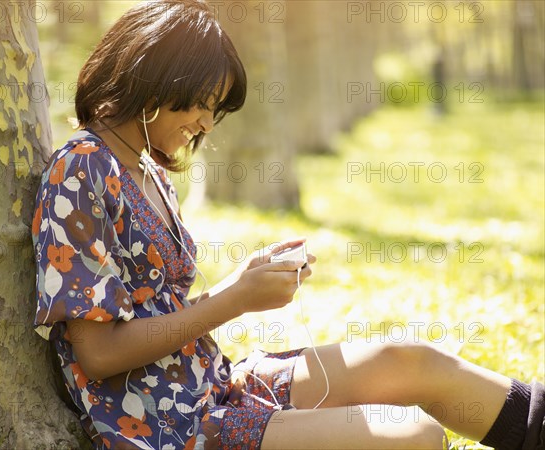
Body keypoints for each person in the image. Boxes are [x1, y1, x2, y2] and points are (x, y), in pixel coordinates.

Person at [31, 1, 544, 448]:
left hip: (214, 384)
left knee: (412, 360)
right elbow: (97, 355)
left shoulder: (141, 166)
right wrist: (234, 300)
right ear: (157, 80)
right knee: (414, 436)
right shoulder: (81, 170)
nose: (207, 124)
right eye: (203, 103)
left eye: (216, 110)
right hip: (174, 427)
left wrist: (242, 281)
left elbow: (163, 312)